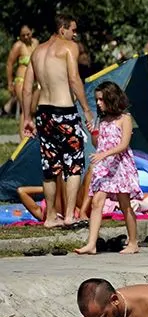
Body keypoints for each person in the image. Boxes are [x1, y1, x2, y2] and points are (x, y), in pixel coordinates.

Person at [20, 13, 94, 228]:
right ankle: (70, 215)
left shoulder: (37, 51)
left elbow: (27, 88)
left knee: (50, 166)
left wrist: (27, 117)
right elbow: (73, 79)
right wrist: (87, 110)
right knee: (74, 163)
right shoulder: (69, 47)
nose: (75, 34)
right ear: (63, 30)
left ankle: (51, 217)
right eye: (73, 29)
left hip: (43, 113)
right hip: (64, 111)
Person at [75, 82, 141, 255]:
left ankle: (133, 242)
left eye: (101, 99)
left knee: (124, 203)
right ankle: (91, 243)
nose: (98, 103)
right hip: (104, 167)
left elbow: (124, 144)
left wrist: (104, 155)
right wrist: (93, 133)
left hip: (120, 165)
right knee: (97, 202)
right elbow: (98, 143)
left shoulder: (125, 118)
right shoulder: (102, 120)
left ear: (111, 99)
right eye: (97, 100)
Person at [5, 24, 38, 124]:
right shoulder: (18, 46)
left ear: (32, 31)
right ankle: (23, 138)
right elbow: (9, 64)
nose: (26, 37)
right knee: (25, 110)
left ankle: (30, 136)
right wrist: (10, 83)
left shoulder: (36, 43)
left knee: (33, 110)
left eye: (28, 34)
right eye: (23, 35)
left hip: (35, 82)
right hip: (22, 80)